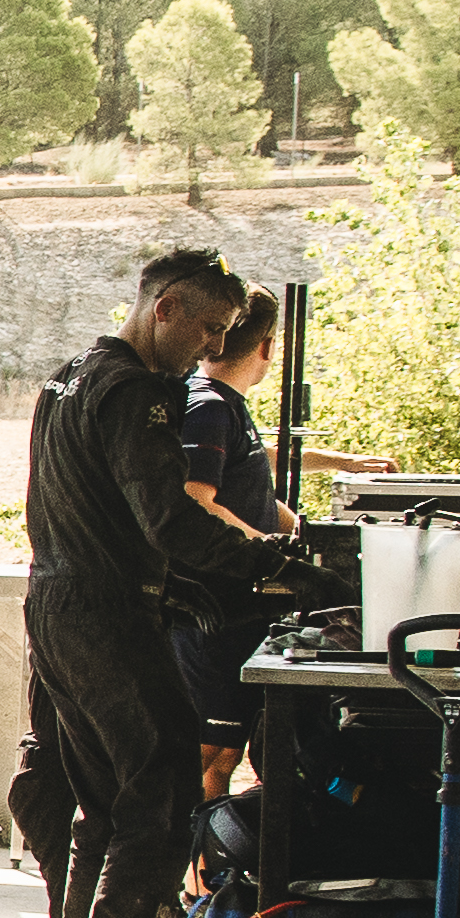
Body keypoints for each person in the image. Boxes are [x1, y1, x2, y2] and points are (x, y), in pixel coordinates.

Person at [19, 251, 317, 918]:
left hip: (56, 606)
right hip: (107, 615)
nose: (211, 348)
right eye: (209, 329)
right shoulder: (139, 393)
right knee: (165, 791)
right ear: (166, 307)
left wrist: (184, 589)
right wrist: (274, 563)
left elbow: (84, 510)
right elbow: (171, 521)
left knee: (107, 802)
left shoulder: (69, 377)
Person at [171, 285, 297, 791]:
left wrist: (296, 530)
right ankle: (173, 865)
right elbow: (198, 499)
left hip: (238, 610)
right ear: (268, 347)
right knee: (202, 755)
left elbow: (248, 486)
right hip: (213, 613)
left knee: (223, 757)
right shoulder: (208, 408)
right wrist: (271, 550)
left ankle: (209, 870)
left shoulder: (228, 406)